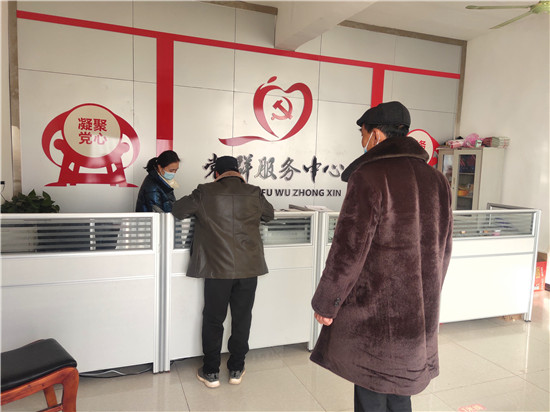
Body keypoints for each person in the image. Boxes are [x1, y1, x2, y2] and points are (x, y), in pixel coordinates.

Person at [310, 101, 453, 412]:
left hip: (374, 314)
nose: (362, 142)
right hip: (417, 312)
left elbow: (348, 251)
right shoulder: (437, 180)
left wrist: (326, 303)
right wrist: (428, 296)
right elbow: (444, 249)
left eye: (362, 134)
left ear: (375, 135)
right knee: (401, 390)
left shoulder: (370, 176)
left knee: (371, 388)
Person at [171, 155, 274, 389]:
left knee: (213, 319)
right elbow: (269, 214)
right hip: (248, 269)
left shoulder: (205, 191)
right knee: (242, 318)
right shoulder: (254, 192)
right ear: (238, 172)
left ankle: (211, 372)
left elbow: (178, 210)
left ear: (216, 173)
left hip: (216, 270)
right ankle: (236, 369)